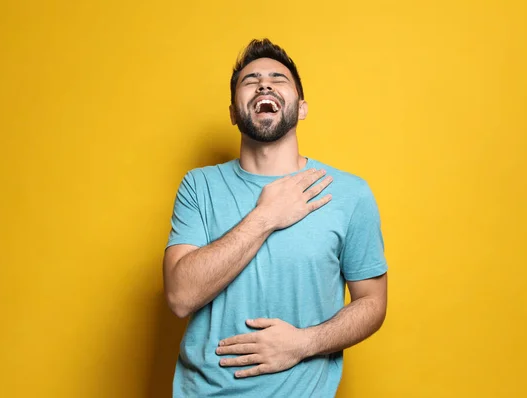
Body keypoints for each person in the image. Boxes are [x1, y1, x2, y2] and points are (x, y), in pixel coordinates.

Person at [163, 38, 388, 397]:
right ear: (234, 113)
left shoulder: (349, 193)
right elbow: (180, 296)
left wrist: (304, 343)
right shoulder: (199, 186)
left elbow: (373, 303)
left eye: (278, 79)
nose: (264, 84)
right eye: (250, 80)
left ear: (301, 108)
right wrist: (265, 216)